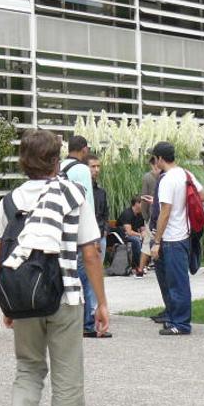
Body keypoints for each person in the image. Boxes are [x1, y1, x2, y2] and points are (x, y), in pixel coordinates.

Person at [0, 129, 109, 406]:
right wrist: (102, 303)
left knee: (28, 368)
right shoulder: (73, 194)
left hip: (24, 296)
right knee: (67, 377)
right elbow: (90, 253)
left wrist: (9, 304)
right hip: (66, 296)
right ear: (56, 160)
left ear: (23, 162)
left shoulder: (9, 201)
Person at [150, 141, 204, 336]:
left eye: (154, 158)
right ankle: (174, 319)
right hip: (184, 235)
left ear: (159, 159)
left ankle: (181, 324)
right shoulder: (185, 174)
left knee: (177, 283)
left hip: (172, 238)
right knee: (174, 281)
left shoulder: (167, 179)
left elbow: (164, 213)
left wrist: (156, 242)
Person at [60, 136, 106, 338]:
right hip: (80, 231)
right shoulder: (81, 169)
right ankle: (87, 322)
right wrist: (93, 238)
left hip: (64, 231)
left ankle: (71, 319)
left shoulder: (61, 166)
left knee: (70, 277)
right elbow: (87, 203)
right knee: (85, 277)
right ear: (84, 149)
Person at [87, 155, 109, 258]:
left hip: (100, 235)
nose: (96, 170)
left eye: (98, 166)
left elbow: (105, 213)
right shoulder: (82, 190)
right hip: (86, 236)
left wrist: (105, 230)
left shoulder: (101, 192)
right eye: (93, 166)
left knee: (98, 269)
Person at [116, 196, 145, 274]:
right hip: (122, 236)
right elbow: (128, 232)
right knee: (136, 241)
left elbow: (142, 228)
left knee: (147, 240)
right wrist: (140, 234)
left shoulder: (140, 214)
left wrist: (143, 234)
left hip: (133, 234)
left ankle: (145, 264)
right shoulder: (127, 213)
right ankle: (137, 266)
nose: (143, 205)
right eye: (142, 203)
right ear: (136, 204)